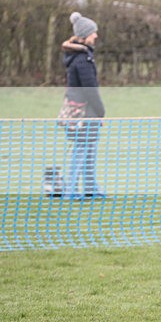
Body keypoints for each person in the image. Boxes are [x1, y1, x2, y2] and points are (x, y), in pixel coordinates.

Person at [62, 12, 105, 199]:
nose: (96, 36)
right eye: (93, 33)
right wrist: (101, 112)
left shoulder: (80, 56)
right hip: (84, 113)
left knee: (90, 149)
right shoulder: (82, 60)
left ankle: (90, 188)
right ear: (85, 35)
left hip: (81, 111)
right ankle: (70, 191)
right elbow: (90, 90)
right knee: (82, 150)